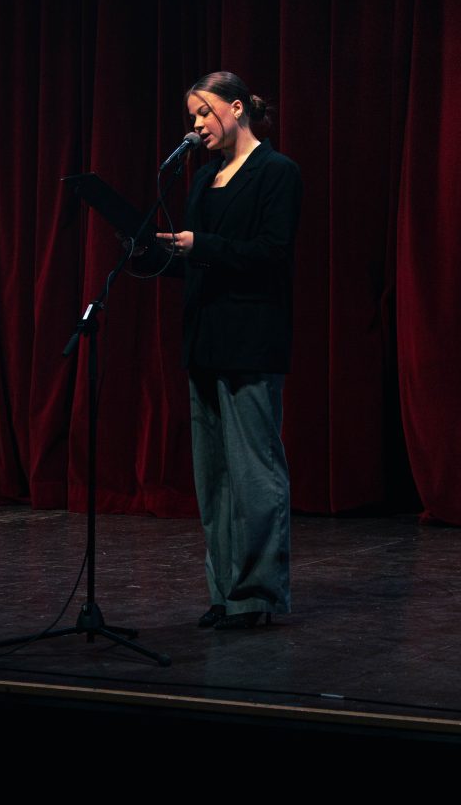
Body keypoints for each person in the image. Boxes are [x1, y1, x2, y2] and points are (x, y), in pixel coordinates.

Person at [156, 71, 302, 630]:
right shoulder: (203, 179)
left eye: (205, 112)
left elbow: (271, 253)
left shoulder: (276, 172)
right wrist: (161, 253)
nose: (197, 125)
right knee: (213, 477)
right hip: (205, 340)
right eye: (191, 116)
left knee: (254, 474)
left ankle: (256, 595)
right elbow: (202, 259)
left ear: (237, 108)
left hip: (250, 341)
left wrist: (203, 246)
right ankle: (224, 591)